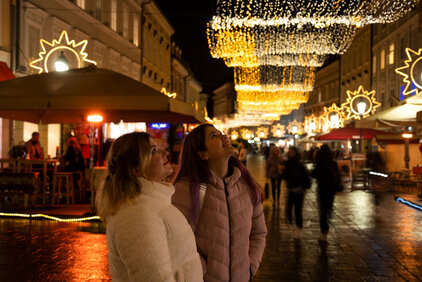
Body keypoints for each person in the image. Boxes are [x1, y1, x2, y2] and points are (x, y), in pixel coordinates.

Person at [96, 132, 203, 281]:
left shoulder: (151, 203)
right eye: (153, 151)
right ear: (136, 169)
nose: (165, 153)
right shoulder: (136, 214)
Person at [172, 124, 267, 281]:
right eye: (213, 136)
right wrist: (205, 273)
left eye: (221, 133)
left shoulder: (247, 186)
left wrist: (250, 267)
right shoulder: (186, 190)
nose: (224, 136)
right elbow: (178, 241)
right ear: (203, 154)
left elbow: (258, 233)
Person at [311, 145, 342, 242]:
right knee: (328, 208)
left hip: (322, 189)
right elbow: (337, 175)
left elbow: (314, 175)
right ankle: (327, 223)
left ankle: (324, 231)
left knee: (323, 211)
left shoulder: (320, 164)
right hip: (331, 189)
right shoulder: (333, 163)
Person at [281, 147, 311, 239]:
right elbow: (285, 175)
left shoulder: (298, 163)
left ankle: (298, 228)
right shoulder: (288, 163)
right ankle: (292, 226)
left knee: (297, 209)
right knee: (289, 208)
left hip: (299, 189)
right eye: (289, 152)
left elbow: (305, 176)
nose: (290, 153)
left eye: (292, 152)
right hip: (292, 189)